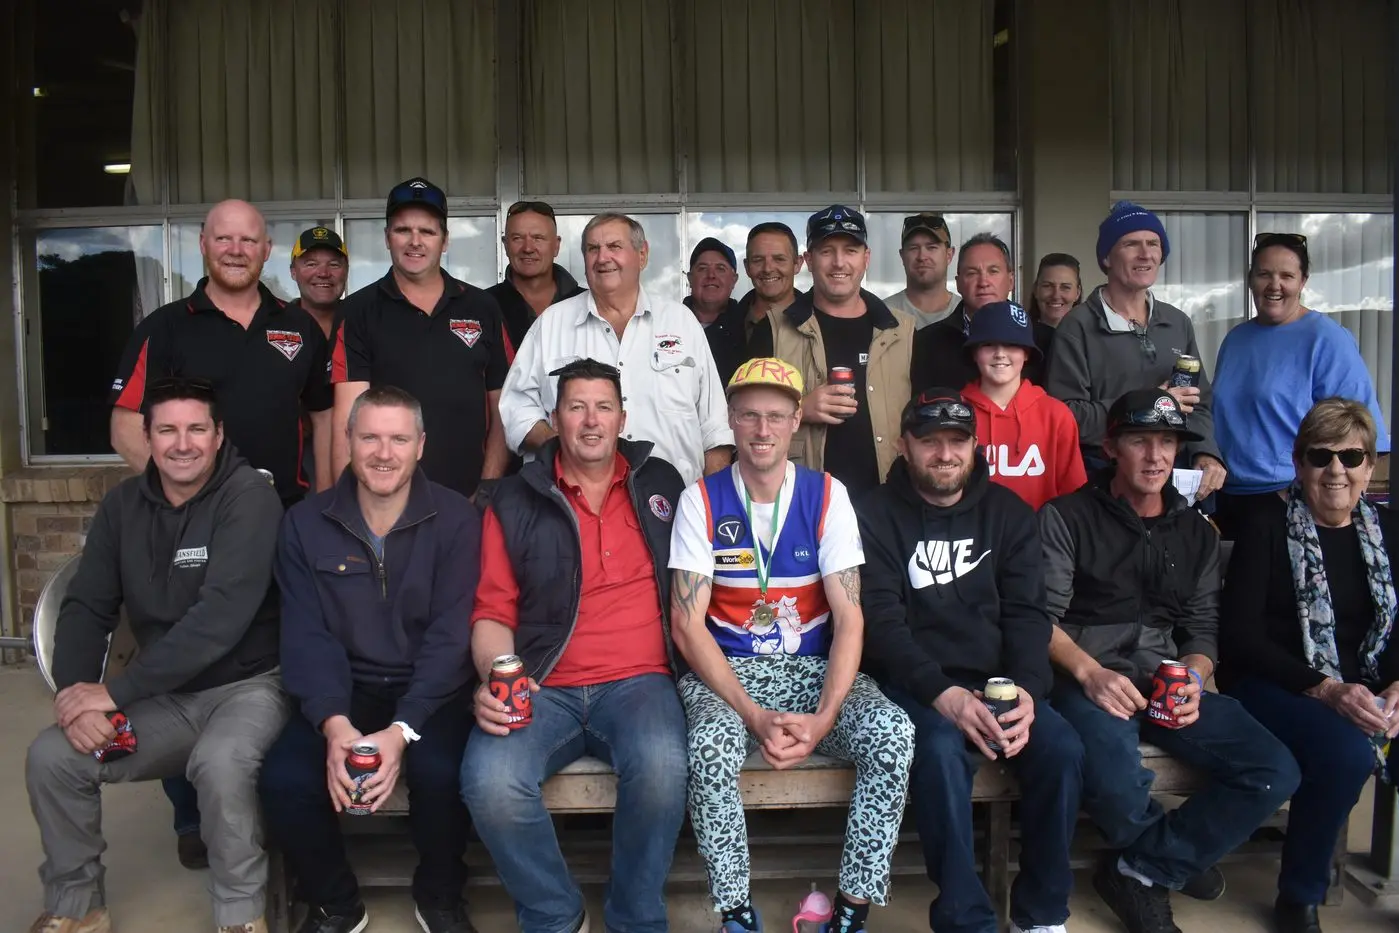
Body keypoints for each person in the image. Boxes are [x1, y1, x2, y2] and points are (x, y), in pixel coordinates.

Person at [26, 377, 287, 933]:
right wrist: (78, 696)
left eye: (197, 428)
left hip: (248, 688)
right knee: (54, 757)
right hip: (164, 699)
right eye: (166, 430)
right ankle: (79, 906)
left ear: (219, 436)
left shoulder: (249, 499)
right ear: (146, 437)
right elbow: (86, 607)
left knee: (220, 764)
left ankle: (241, 915)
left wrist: (115, 691)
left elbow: (218, 622)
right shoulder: (122, 507)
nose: (182, 443)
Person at [1040, 388, 1300, 933]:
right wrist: (1089, 672)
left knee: (1274, 770)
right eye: (1140, 441)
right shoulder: (1067, 516)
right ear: (1112, 446)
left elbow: (1203, 628)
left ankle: (1144, 868)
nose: (1156, 456)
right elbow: (1039, 618)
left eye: (1167, 442)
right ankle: (1164, 862)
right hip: (1083, 672)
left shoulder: (1195, 532)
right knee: (1112, 776)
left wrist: (1196, 680)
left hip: (1165, 674)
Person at [669, 357, 913, 933]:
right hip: (727, 673)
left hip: (811, 669)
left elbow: (851, 619)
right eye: (750, 415)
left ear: (797, 419)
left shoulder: (828, 494)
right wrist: (752, 715)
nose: (762, 429)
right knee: (708, 744)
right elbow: (687, 626)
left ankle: (851, 909)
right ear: (730, 418)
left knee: (893, 732)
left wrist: (826, 717)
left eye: (776, 416)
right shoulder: (699, 500)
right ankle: (735, 911)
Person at [461, 359, 689, 933]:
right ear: (555, 419)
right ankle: (555, 915)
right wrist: (496, 675)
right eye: (576, 407)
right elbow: (491, 611)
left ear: (623, 418)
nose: (591, 421)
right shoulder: (514, 499)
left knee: (662, 768)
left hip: (641, 681)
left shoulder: (661, 483)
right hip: (544, 683)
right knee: (488, 782)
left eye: (603, 407)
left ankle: (636, 917)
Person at [860, 387, 1083, 933]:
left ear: (975, 445)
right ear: (906, 446)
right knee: (937, 752)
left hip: (1001, 684)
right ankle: (965, 918)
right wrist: (945, 694)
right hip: (916, 684)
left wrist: (1030, 690)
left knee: (1061, 750)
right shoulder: (873, 514)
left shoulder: (1008, 514)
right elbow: (881, 626)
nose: (944, 454)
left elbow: (1030, 616)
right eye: (929, 441)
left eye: (956, 441)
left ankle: (1042, 915)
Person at [261, 385, 481, 933]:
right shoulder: (305, 524)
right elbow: (307, 637)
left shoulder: (458, 519)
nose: (384, 453)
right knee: (285, 777)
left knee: (441, 772)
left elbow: (452, 636)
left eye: (399, 439)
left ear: (421, 445)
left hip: (433, 690)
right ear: (348, 442)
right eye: (371, 438)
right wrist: (335, 726)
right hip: (347, 686)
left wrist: (404, 727)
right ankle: (335, 902)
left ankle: (439, 895)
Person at [1219, 399, 1398, 933]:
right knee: (1343, 753)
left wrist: (1395, 687)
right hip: (1276, 682)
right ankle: (1300, 894)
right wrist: (1327, 690)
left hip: (1369, 686)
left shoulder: (1389, 531)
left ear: (1371, 466)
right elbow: (1241, 639)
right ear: (1299, 464)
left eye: (1351, 456)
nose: (1336, 470)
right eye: (1321, 456)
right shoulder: (1265, 525)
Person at [110, 199, 334, 505]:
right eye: (224, 238)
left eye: (248, 240)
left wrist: (322, 502)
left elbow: (325, 418)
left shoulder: (300, 327)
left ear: (266, 250)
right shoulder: (164, 328)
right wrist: (181, 497)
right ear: (204, 244)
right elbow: (125, 428)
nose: (236, 250)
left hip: (287, 513)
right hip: (196, 517)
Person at [498, 212, 734, 486]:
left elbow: (715, 425)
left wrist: (712, 504)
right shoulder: (551, 324)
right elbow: (516, 408)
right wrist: (564, 446)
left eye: (614, 247)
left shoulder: (681, 321)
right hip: (575, 505)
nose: (602, 257)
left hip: (676, 505)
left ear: (642, 255)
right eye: (592, 249)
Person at [331, 177, 512, 498]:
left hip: (467, 501)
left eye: (427, 231)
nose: (415, 241)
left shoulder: (483, 307)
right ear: (387, 238)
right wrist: (351, 508)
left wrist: (486, 489)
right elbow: (348, 420)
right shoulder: (357, 311)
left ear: (445, 241)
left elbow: (503, 407)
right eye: (403, 230)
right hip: (385, 505)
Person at [1045, 201, 1228, 496]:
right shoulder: (1076, 328)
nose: (1145, 254)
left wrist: (1204, 451)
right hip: (1105, 484)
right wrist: (1150, 404)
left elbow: (1198, 403)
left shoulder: (1177, 323)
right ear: (1106, 257)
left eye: (1153, 244)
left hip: (1172, 482)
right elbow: (1065, 418)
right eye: (1131, 244)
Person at [1213, 234, 1389, 539]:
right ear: (1251, 279)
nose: (1274, 285)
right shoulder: (1235, 340)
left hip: (1291, 500)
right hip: (1226, 497)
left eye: (1287, 276)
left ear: (1303, 281)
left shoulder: (1327, 339)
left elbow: (1361, 433)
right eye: (1264, 274)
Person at [749, 205, 916, 497]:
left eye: (850, 250)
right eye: (827, 251)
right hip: (800, 502)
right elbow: (744, 416)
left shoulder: (903, 332)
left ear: (866, 259)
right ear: (809, 260)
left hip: (889, 505)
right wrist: (801, 409)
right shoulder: (773, 329)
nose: (839, 263)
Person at [960, 301, 1086, 509]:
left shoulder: (1056, 415)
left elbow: (1073, 498)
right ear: (974, 353)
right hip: (972, 538)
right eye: (988, 344)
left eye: (1011, 344)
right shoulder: (954, 412)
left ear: (1027, 353)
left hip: (1039, 539)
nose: (1000, 353)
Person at [913, 233, 1055, 391]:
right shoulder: (926, 343)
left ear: (1011, 281)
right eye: (972, 273)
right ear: (958, 283)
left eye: (993, 271)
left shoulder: (1046, 341)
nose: (983, 282)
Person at [487, 200, 585, 350]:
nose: (528, 248)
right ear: (505, 245)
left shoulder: (589, 305)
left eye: (538, 238)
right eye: (517, 238)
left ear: (556, 246)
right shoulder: (482, 306)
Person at [684, 236, 748, 384]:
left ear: (734, 280)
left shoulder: (748, 326)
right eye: (702, 269)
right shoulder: (669, 324)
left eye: (720, 269)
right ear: (690, 279)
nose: (711, 275)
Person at [884, 212, 959, 328]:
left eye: (931, 247)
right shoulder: (883, 313)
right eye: (914, 248)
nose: (922, 256)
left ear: (949, 255)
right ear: (902, 256)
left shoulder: (967, 313)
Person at [739, 222, 805, 341]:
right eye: (758, 260)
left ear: (797, 264)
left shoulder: (819, 322)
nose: (768, 269)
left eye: (779, 259)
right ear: (747, 267)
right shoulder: (725, 325)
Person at [288, 226, 350, 340]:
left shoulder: (365, 323)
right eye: (311, 264)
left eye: (334, 264)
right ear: (293, 272)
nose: (323, 273)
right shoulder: (273, 325)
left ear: (346, 271)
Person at [1026, 253, 1083, 329]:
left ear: (1077, 293)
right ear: (1036, 289)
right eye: (1047, 286)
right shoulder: (1019, 336)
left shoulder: (1091, 337)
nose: (1056, 295)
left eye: (1065, 287)